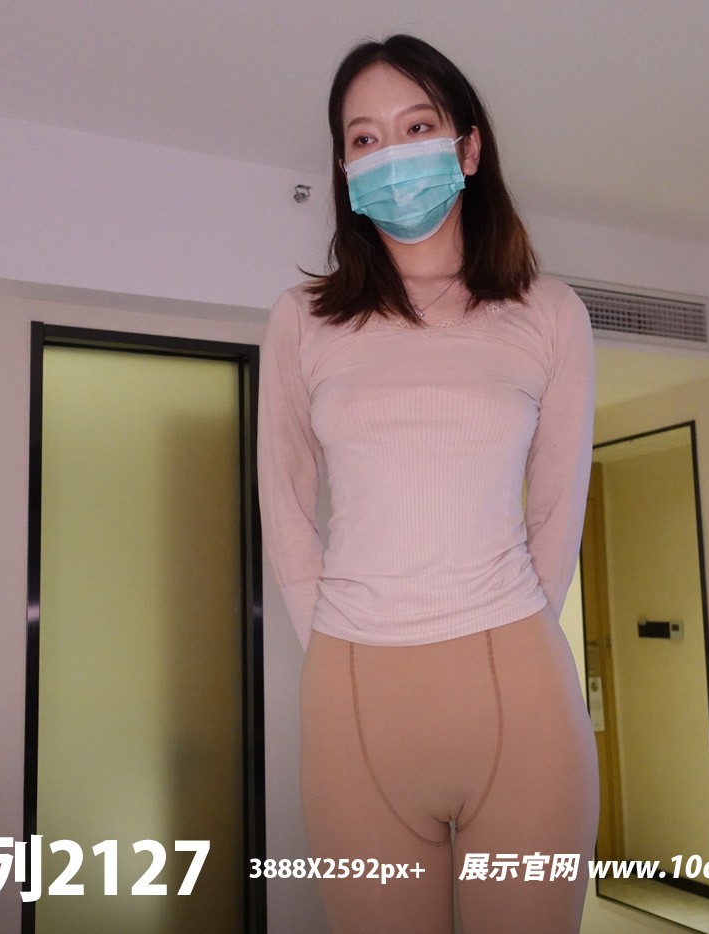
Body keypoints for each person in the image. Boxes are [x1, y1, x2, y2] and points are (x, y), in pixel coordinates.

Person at [256, 34, 599, 934]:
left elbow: (558, 505)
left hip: (516, 683)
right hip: (352, 689)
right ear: (344, 167)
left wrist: (510, 618)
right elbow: (285, 501)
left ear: (468, 147)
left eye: (416, 127)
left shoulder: (549, 313)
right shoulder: (302, 320)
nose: (390, 154)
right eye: (364, 138)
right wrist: (338, 639)